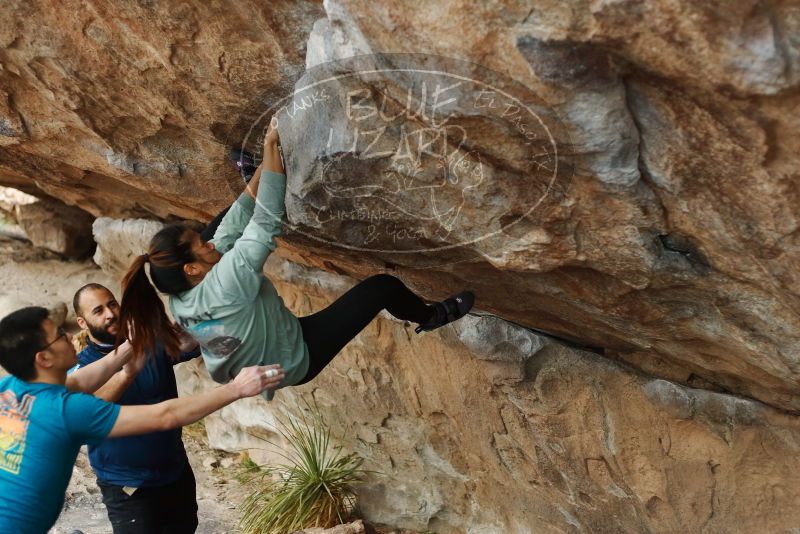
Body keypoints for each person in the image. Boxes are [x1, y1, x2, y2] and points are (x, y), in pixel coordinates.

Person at [117, 118, 475, 399]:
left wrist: (262, 170)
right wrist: (273, 145)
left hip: (263, 342)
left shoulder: (179, 291)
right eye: (199, 246)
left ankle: (253, 172)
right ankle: (430, 317)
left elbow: (230, 227)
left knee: (221, 230)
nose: (208, 244)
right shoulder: (225, 282)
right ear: (192, 269)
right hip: (294, 358)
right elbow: (266, 221)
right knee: (383, 287)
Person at [0, 306, 285, 532]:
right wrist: (237, 388)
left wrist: (131, 346)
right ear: (44, 359)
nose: (68, 336)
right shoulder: (66, 411)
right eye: (60, 334)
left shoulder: (12, 387)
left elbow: (81, 380)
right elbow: (165, 415)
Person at [71, 283, 202, 533]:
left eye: (112, 304)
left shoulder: (149, 342)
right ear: (82, 322)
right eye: (98, 310)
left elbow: (188, 344)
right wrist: (127, 374)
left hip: (175, 471)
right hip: (126, 485)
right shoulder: (81, 367)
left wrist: (189, 334)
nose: (110, 313)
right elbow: (89, 407)